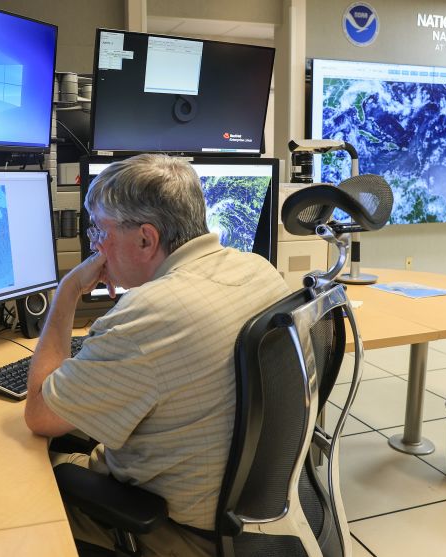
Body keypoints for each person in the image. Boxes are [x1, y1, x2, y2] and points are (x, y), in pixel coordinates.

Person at [24, 153, 290, 556]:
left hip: (174, 531)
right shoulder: (259, 270)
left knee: (20, 497)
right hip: (247, 511)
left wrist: (66, 293)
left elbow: (40, 414)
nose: (96, 246)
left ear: (146, 239)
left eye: (100, 231)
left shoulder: (148, 314)